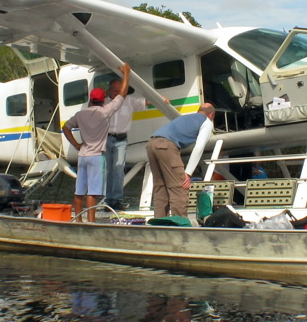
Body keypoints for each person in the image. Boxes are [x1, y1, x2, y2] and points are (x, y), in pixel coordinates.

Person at [62, 63, 131, 222]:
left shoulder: (80, 114)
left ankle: (78, 220)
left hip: (82, 155)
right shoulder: (105, 112)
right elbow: (122, 94)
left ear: (91, 100)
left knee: (79, 191)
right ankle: (91, 222)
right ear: (102, 100)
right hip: (96, 156)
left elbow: (66, 128)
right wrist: (126, 74)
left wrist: (76, 144)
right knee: (92, 192)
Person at [146, 103, 216, 218]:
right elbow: (199, 147)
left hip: (151, 144)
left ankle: (159, 223)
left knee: (160, 187)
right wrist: (188, 173)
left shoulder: (186, 117)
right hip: (167, 146)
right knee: (179, 187)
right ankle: (180, 224)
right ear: (211, 115)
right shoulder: (207, 122)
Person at [103, 78, 146, 211]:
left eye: (122, 91)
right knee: (108, 171)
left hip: (121, 139)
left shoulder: (129, 100)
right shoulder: (102, 102)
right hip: (105, 138)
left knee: (118, 169)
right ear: (109, 90)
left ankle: (116, 200)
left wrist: (162, 99)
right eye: (116, 91)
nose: (120, 93)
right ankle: (108, 200)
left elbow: (146, 102)